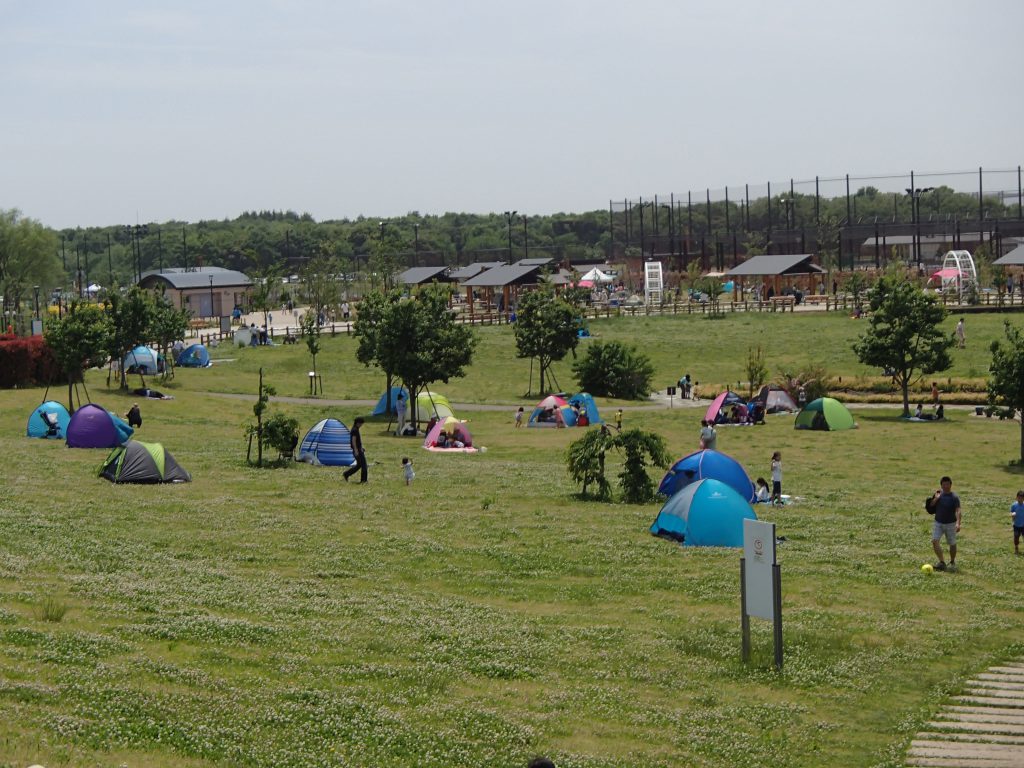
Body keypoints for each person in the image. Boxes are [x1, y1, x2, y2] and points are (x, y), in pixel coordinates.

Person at [926, 476, 961, 571]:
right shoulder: (938, 494)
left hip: (950, 524)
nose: (946, 486)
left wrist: (958, 523)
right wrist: (936, 498)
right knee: (934, 541)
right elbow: (931, 505)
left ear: (950, 485)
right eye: (944, 484)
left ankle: (952, 561)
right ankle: (942, 562)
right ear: (941, 485)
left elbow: (958, 510)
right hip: (938, 523)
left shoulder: (954, 497)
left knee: (952, 543)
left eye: (947, 484)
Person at [343, 417, 368, 483]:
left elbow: (357, 441)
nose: (361, 425)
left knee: (359, 465)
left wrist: (361, 448)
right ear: (358, 423)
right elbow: (353, 441)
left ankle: (346, 474)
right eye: (361, 424)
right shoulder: (354, 430)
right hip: (357, 451)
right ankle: (364, 480)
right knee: (364, 465)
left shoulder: (356, 429)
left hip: (358, 449)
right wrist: (356, 450)